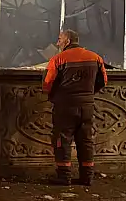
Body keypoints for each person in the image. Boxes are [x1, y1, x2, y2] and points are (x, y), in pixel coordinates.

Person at [41, 29, 108, 186]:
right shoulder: (95, 58)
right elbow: (103, 81)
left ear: (67, 41)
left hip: (65, 106)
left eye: (59, 40)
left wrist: (55, 97)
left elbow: (47, 84)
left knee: (62, 140)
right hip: (87, 106)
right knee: (85, 140)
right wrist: (88, 94)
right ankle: (87, 177)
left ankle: (64, 176)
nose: (57, 43)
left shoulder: (57, 60)